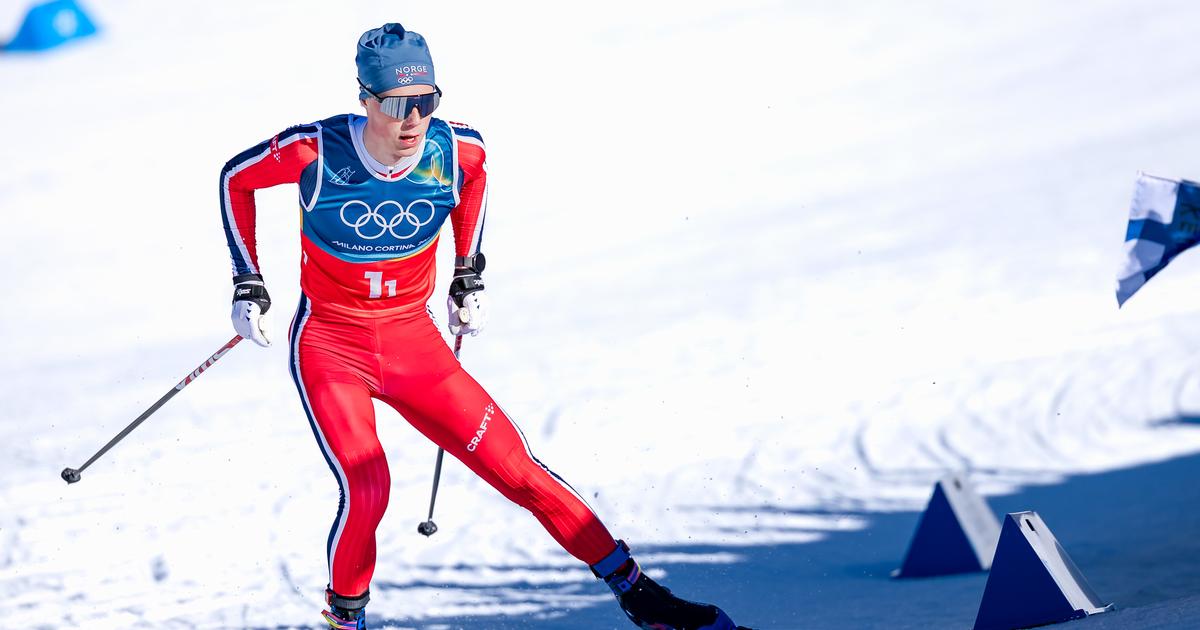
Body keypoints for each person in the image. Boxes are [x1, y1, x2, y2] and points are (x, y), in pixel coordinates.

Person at [219, 23, 747, 630]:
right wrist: (248, 280)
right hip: (333, 347)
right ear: (365, 99)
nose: (411, 118)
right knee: (369, 486)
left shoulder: (456, 149)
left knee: (518, 469)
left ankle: (641, 596)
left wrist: (468, 271)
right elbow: (237, 179)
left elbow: (476, 181)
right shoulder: (315, 149)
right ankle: (346, 621)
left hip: (413, 341)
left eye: (425, 101)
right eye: (395, 103)